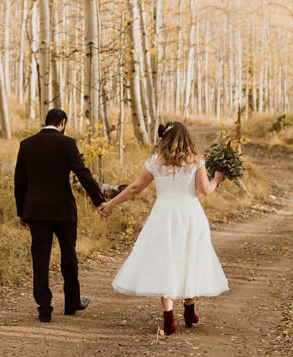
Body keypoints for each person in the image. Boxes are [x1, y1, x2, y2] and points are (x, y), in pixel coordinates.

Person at [98, 121, 229, 336]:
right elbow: (205, 191)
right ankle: (189, 310)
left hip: (164, 215)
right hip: (190, 215)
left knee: (166, 260)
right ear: (186, 138)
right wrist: (216, 179)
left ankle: (168, 318)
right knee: (189, 257)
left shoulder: (155, 162)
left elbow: (134, 188)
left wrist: (111, 204)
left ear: (165, 139)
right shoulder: (196, 161)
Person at [14, 107, 107, 322]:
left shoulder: (27, 145)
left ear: (45, 121)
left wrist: (22, 212)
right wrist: (99, 200)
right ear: (63, 122)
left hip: (36, 212)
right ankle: (71, 302)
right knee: (68, 255)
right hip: (63, 211)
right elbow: (82, 173)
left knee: (40, 258)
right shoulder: (67, 144)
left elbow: (20, 182)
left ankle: (44, 307)